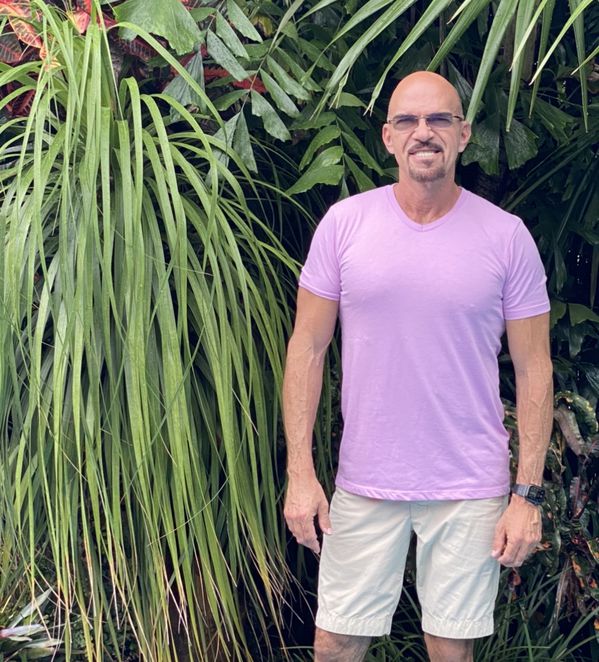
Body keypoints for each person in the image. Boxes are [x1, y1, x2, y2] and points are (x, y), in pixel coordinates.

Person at [282, 71, 554, 662]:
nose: (422, 132)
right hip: (365, 478)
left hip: (469, 485)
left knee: (449, 650)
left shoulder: (506, 237)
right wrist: (300, 474)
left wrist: (527, 495)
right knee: (335, 643)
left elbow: (535, 369)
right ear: (388, 137)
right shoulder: (345, 225)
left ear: (463, 135)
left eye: (438, 120)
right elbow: (307, 349)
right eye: (407, 120)